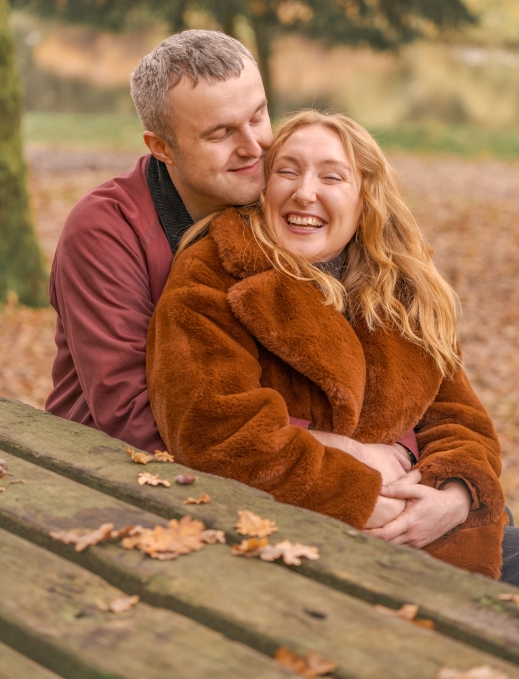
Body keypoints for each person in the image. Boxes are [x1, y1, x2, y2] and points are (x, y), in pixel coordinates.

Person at [147, 109, 515, 581]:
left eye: (331, 176)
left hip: (435, 538)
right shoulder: (214, 274)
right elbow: (218, 434)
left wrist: (455, 496)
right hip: (298, 552)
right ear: (263, 188)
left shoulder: (401, 290)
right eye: (287, 171)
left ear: (364, 199)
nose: (304, 192)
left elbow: (463, 420)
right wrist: (365, 496)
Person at [46, 30, 272, 451]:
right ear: (161, 147)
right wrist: (327, 457)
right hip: (103, 472)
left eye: (258, 116)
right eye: (222, 133)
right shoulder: (103, 229)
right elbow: (131, 414)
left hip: (264, 456)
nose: (254, 147)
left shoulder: (290, 198)